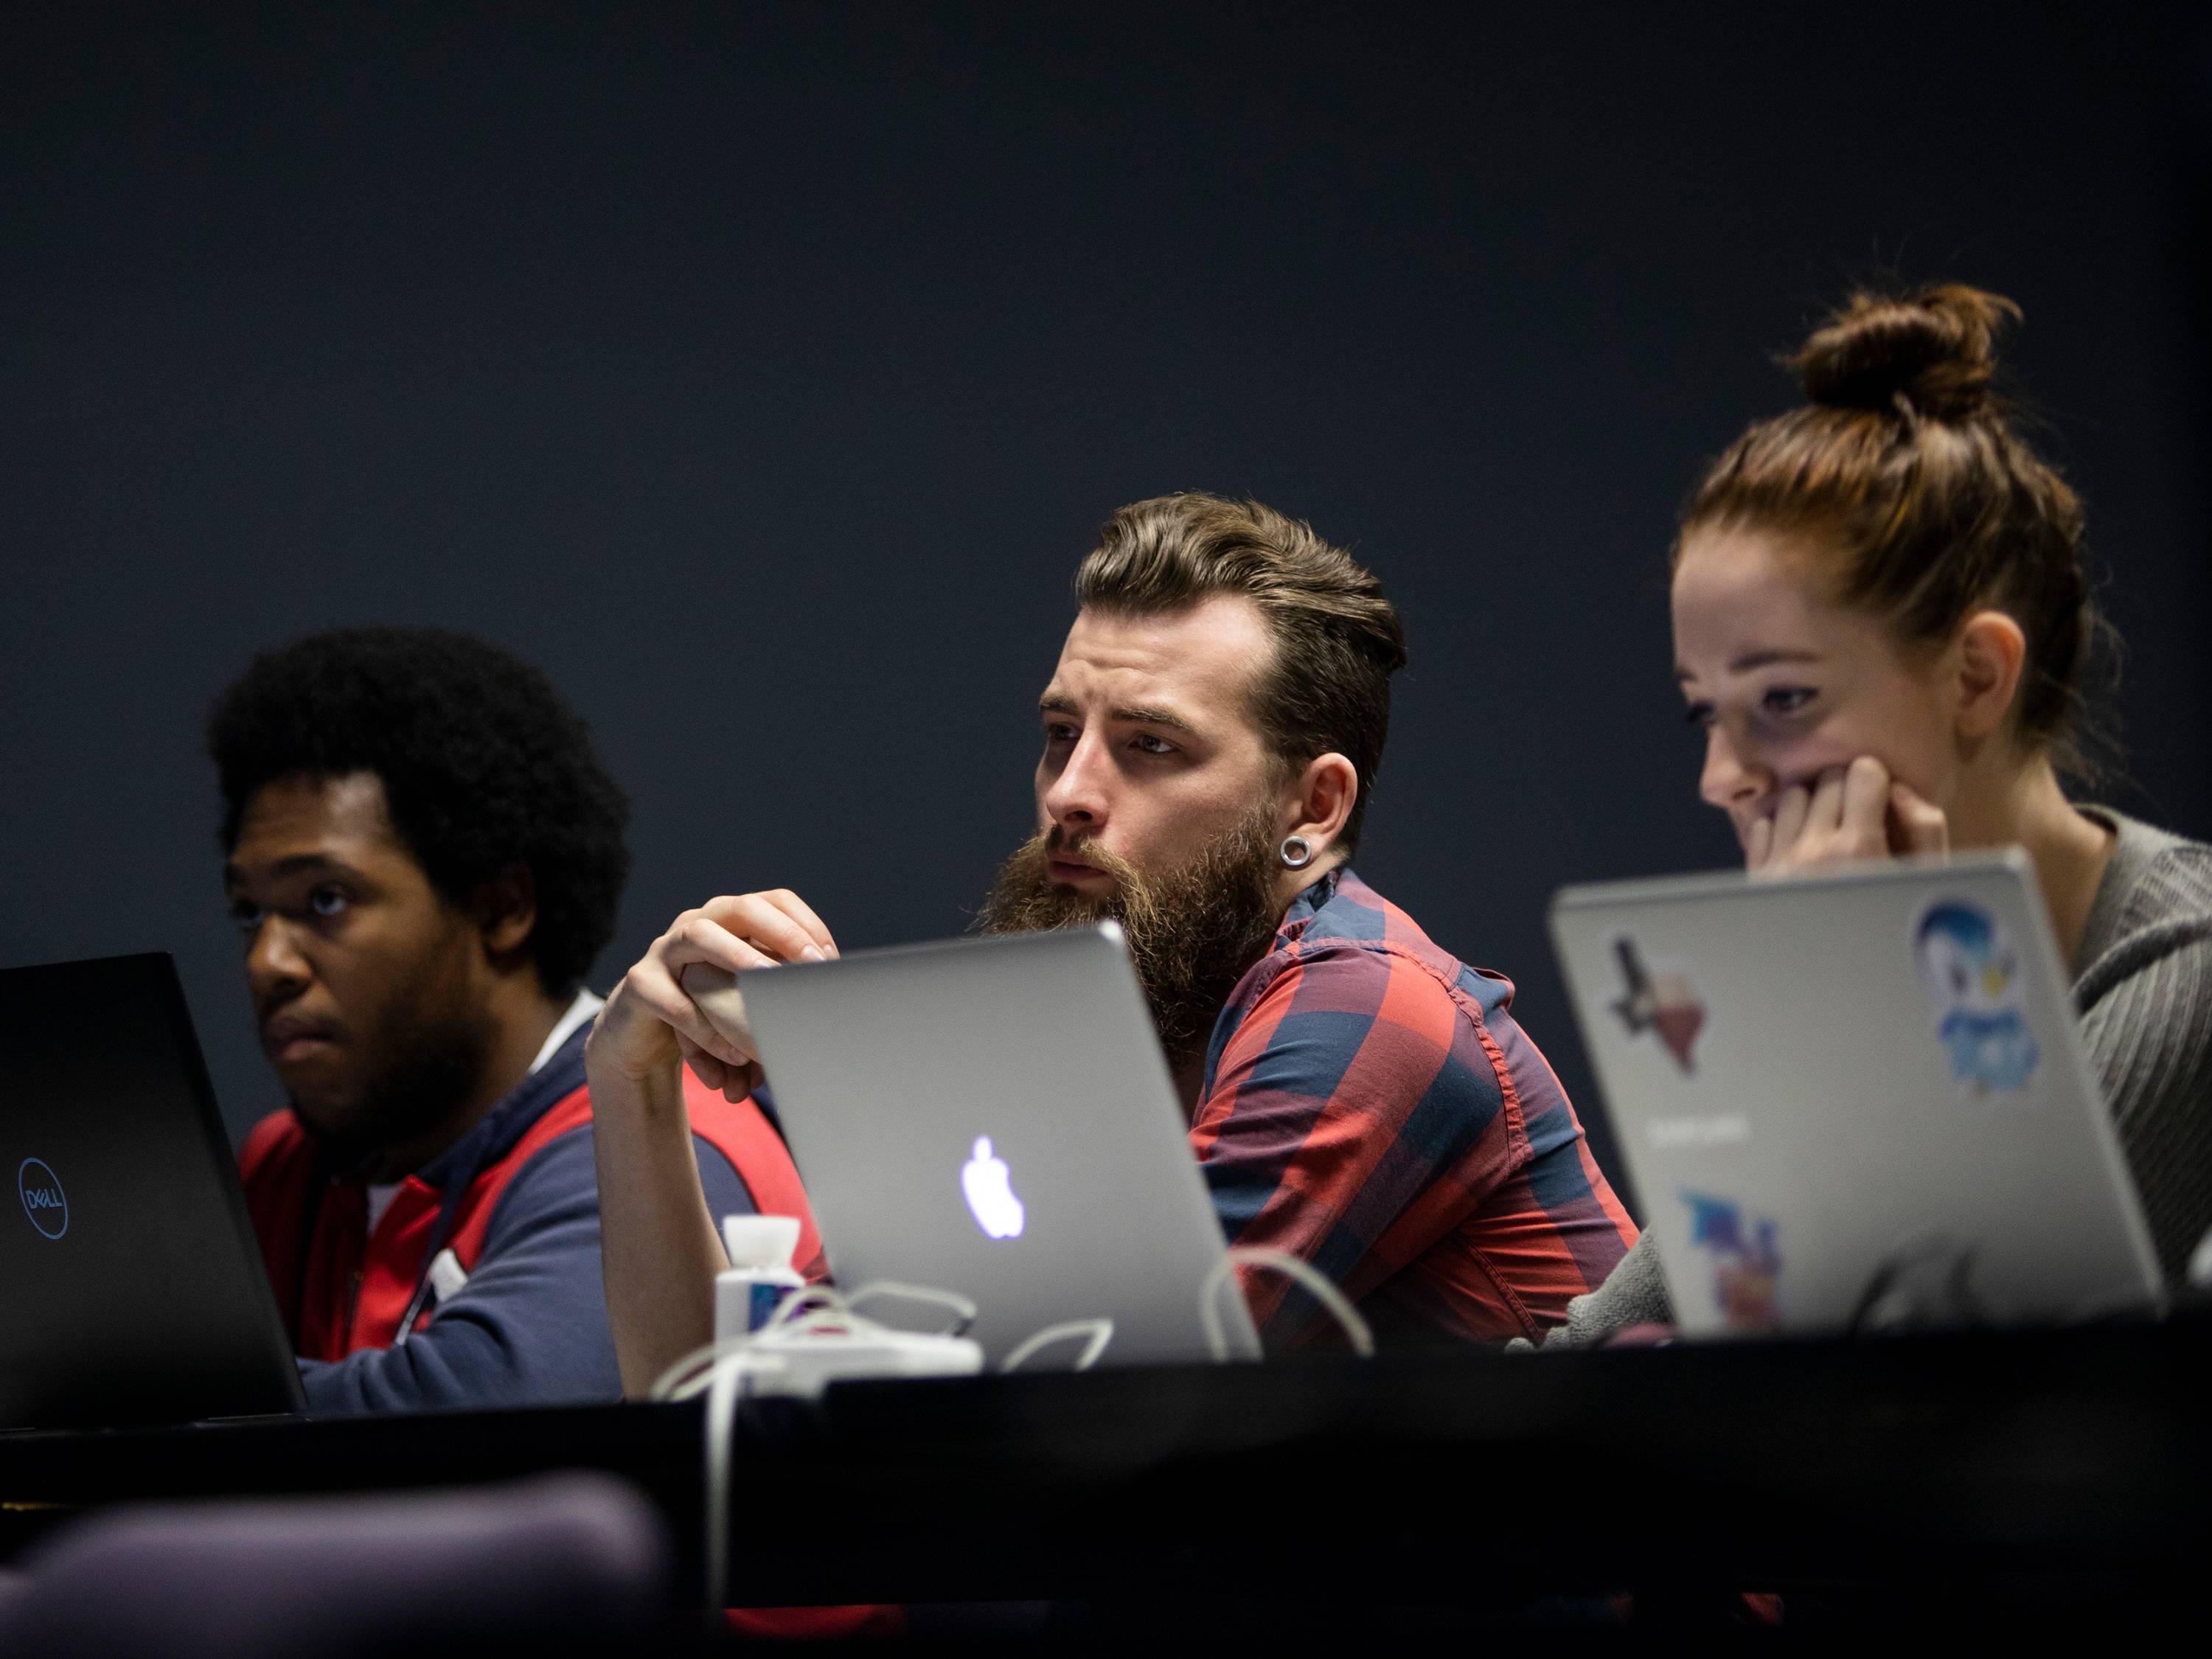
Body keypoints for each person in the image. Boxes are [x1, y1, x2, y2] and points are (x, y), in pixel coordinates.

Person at [587, 493, 1637, 1393]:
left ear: (1310, 806)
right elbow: (720, 1409)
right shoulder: (1105, 1012)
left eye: (1150, 745)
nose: (1071, 793)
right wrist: (630, 1076)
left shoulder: (1369, 1004)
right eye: (1060, 734)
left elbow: (1115, 1406)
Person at [1546, 284, 2212, 1347]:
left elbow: (1933, 1365)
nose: (1723, 775)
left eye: (1784, 701)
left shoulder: (2192, 964)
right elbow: (1588, 1357)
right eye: (1704, 714)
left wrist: (1830, 998)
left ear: (1978, 678)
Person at [214, 627, 817, 1412]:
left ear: (502, 907)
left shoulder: (667, 1131)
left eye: (325, 900)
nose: (269, 962)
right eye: (249, 913)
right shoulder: (285, 1165)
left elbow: (509, 1410)